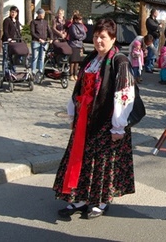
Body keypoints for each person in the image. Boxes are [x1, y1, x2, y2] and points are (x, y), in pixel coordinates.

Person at [53, 18, 136, 219]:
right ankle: (80, 198)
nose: (99, 41)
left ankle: (101, 200)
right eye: (97, 36)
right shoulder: (91, 58)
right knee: (82, 158)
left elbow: (124, 94)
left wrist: (118, 127)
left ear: (113, 39)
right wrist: (73, 111)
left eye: (103, 37)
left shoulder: (120, 61)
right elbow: (79, 87)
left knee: (102, 162)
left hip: (106, 120)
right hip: (85, 118)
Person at [30, 8, 53, 76]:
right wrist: (39, 39)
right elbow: (32, 32)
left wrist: (51, 38)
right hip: (36, 42)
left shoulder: (45, 22)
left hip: (44, 42)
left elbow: (49, 31)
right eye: (42, 14)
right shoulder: (34, 22)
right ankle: (33, 72)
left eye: (44, 14)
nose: (43, 15)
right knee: (35, 57)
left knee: (42, 58)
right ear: (39, 14)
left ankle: (40, 71)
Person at [67, 11, 87, 81]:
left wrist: (80, 37)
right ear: (75, 19)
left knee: (77, 61)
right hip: (73, 45)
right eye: (79, 19)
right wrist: (80, 37)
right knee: (73, 61)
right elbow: (75, 35)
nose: (80, 20)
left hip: (79, 45)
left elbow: (84, 35)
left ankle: (76, 74)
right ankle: (71, 74)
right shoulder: (73, 26)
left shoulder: (82, 26)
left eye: (81, 19)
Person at [145, 9, 161, 73]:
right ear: (153, 13)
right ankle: (148, 67)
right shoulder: (149, 20)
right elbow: (154, 27)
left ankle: (151, 66)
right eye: (156, 12)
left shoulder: (155, 20)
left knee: (154, 53)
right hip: (151, 38)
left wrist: (158, 27)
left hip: (156, 38)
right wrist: (158, 27)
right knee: (150, 53)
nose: (157, 14)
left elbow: (158, 27)